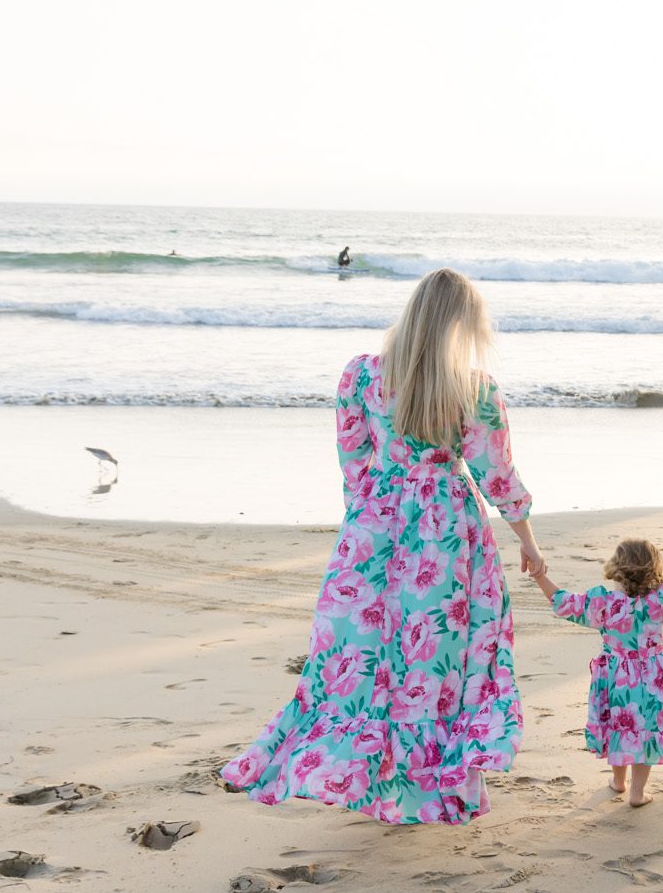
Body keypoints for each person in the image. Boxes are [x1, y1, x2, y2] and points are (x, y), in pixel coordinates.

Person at [222, 268, 542, 824]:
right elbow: (497, 475)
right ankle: (423, 788)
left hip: (375, 523)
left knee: (361, 655)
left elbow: (352, 460)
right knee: (432, 659)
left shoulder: (362, 377)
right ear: (461, 324)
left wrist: (367, 518)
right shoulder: (474, 388)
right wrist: (528, 542)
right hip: (444, 533)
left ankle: (365, 776)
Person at [531, 539, 663, 807]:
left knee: (620, 726)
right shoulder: (661, 598)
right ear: (655, 568)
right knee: (646, 731)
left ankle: (618, 782)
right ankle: (637, 792)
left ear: (616, 567)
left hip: (617, 678)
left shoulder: (604, 602)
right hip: (655, 675)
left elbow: (564, 603)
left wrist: (540, 576)